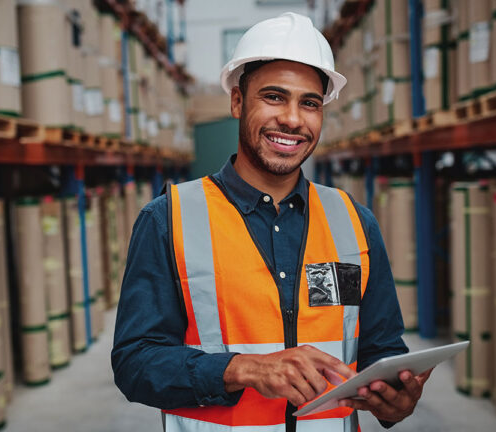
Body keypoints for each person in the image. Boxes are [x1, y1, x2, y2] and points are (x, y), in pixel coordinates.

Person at [111, 12, 431, 431]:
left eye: (310, 103)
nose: (294, 120)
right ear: (238, 102)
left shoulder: (353, 222)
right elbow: (135, 364)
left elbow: (380, 348)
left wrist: (395, 397)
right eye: (274, 97)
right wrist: (243, 370)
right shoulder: (169, 219)